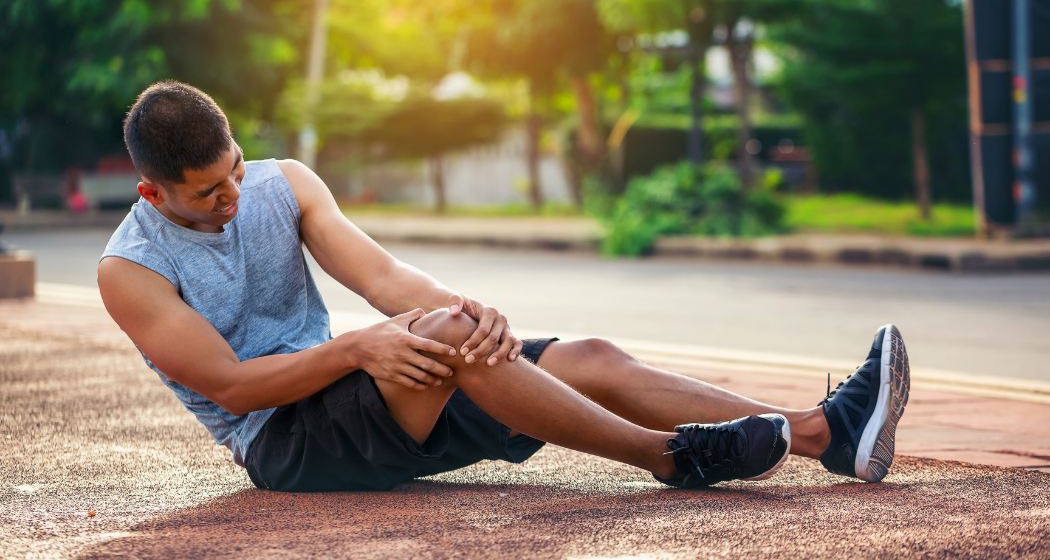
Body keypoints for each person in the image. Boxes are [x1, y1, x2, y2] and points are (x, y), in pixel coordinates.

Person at [98, 81, 910, 492]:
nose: (234, 196)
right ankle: (669, 459)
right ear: (154, 193)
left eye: (236, 170)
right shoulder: (129, 270)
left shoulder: (286, 184)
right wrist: (358, 350)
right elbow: (235, 390)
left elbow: (383, 277)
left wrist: (466, 310)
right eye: (209, 193)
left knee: (581, 353)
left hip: (375, 392)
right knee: (443, 339)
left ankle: (825, 436)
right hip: (287, 443)